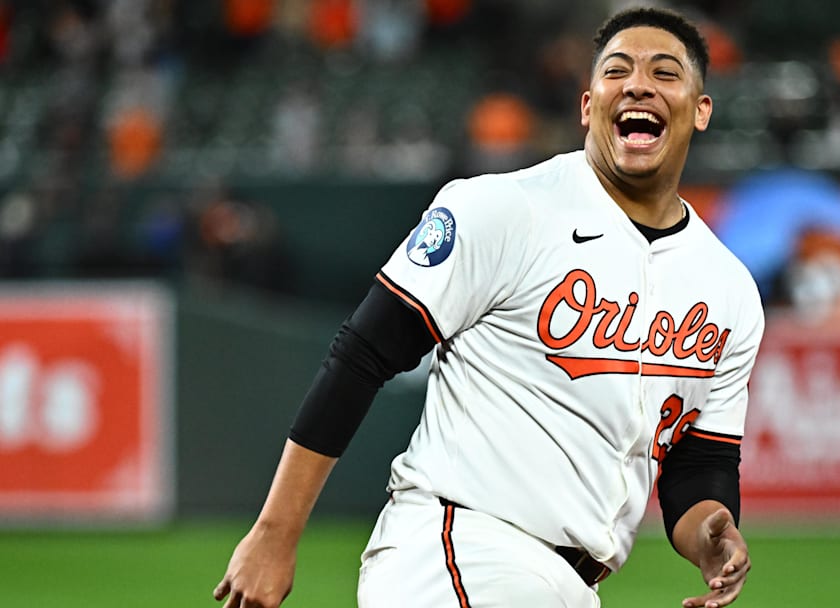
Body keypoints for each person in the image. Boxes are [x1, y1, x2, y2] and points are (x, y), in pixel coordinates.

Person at [213, 7, 764, 608]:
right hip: (460, 547)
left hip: (572, 586)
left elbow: (697, 466)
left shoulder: (727, 289)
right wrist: (275, 533)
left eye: (664, 72)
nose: (638, 84)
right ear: (588, 105)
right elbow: (361, 354)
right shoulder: (506, 210)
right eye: (617, 71)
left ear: (700, 109)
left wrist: (714, 537)